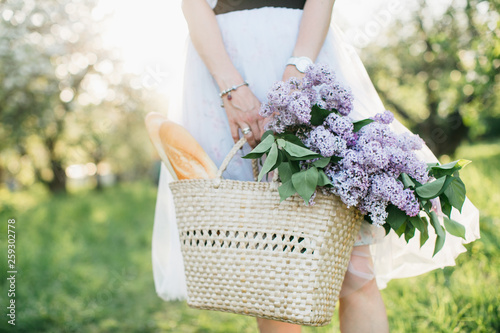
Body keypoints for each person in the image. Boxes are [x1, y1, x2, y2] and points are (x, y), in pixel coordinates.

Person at [151, 1, 480, 332]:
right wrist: (231, 86)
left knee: (354, 265)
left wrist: (299, 69)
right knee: (270, 272)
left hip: (304, 48)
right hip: (226, 59)